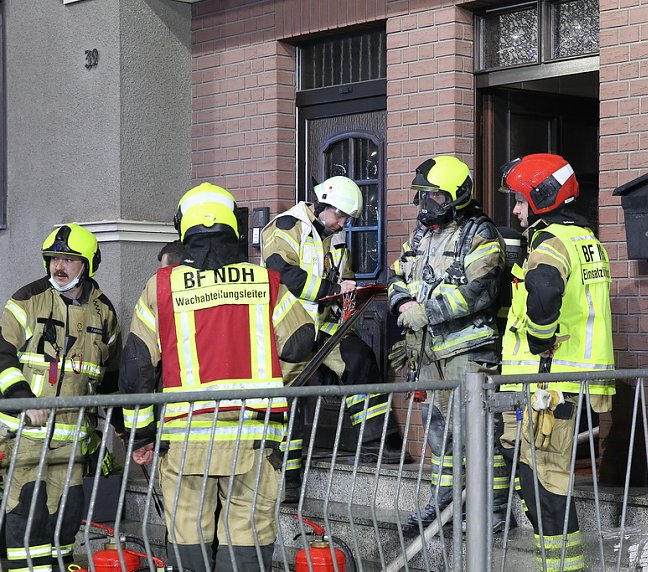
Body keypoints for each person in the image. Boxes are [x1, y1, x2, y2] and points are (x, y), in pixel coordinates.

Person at [120, 182, 315, 571]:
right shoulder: (265, 281)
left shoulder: (161, 287)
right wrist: (277, 387)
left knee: (188, 531)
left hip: (187, 438)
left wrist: (140, 435)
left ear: (183, 228)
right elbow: (299, 342)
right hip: (255, 436)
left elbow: (137, 366)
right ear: (233, 226)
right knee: (247, 535)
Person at [497, 153, 615, 571]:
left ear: (543, 197)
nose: (515, 209)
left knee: (545, 489)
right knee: (546, 486)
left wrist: (538, 339)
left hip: (550, 389)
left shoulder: (551, 243)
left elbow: (545, 289)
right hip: (573, 388)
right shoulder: (586, 241)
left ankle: (562, 568)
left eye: (519, 200)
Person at [259, 175, 410, 499]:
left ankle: (379, 445)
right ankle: (287, 479)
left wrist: (352, 293)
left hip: (325, 324)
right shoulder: (286, 227)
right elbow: (281, 274)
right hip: (288, 327)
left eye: (347, 219)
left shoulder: (336, 238)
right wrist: (332, 290)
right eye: (340, 216)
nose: (343, 224)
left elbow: (346, 277)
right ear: (323, 204)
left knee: (360, 359)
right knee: (287, 400)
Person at [387, 155, 508, 530]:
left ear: (456, 196)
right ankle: (446, 509)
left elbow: (481, 291)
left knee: (480, 437)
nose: (425, 205)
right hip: (429, 356)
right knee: (440, 442)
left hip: (468, 356)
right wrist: (403, 302)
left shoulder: (480, 234)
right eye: (423, 196)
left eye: (434, 196)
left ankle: (494, 512)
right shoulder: (423, 235)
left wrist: (428, 312)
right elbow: (397, 274)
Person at [0, 223, 122, 571]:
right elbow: (2, 353)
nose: (59, 266)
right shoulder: (27, 299)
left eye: (69, 260)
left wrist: (122, 426)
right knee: (26, 510)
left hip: (72, 439)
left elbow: (109, 376)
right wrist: (23, 397)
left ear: (88, 265)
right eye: (54, 258)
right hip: (25, 434)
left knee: (67, 514)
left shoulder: (104, 312)